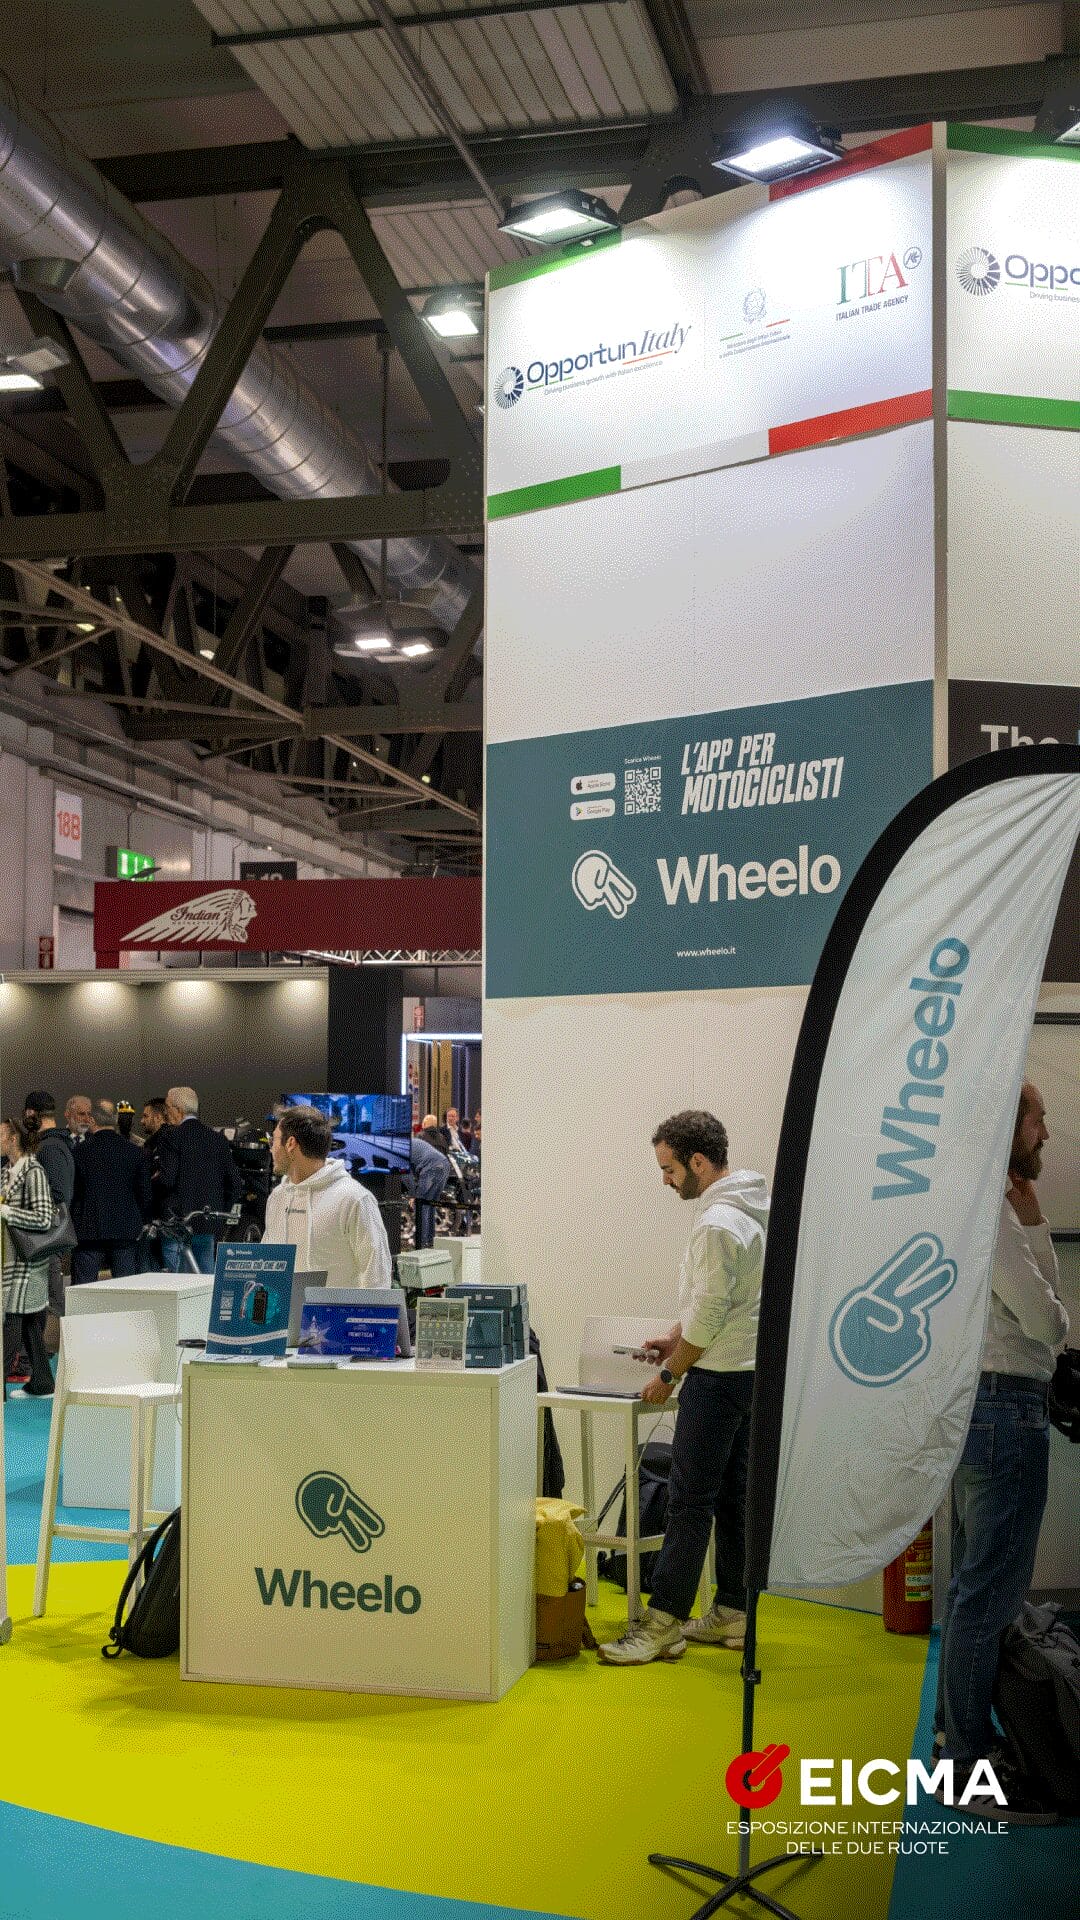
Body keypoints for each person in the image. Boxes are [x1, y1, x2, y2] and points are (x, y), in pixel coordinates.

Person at [932, 1081, 1069, 1821]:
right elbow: (1049, 1324)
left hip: (982, 1407)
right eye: (1037, 1120)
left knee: (972, 1591)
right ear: (1008, 1126)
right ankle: (965, 1768)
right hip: (1004, 1410)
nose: (1045, 1133)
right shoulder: (988, 1215)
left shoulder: (988, 1209)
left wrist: (1036, 1220)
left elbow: (1045, 1312)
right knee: (987, 1596)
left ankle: (954, 1737)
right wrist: (1054, 1313)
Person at [599, 1110, 769, 1667]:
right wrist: (677, 1337)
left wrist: (671, 1371)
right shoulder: (758, 1208)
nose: (666, 1181)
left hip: (717, 1382)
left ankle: (663, 1624)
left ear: (698, 1162)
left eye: (669, 1169)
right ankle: (734, 1611)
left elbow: (712, 1308)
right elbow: (724, 1301)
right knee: (736, 1498)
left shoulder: (718, 1222)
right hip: (753, 1375)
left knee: (689, 1503)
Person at [263, 1104, 391, 1289]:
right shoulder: (277, 1197)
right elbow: (267, 1266)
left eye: (273, 1141)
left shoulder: (354, 1199)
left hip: (338, 1309)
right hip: (284, 1308)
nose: (271, 1149)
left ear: (290, 1144)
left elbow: (377, 1279)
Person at [157, 1086, 243, 1272]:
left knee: (177, 1283)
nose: (166, 1113)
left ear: (177, 1110)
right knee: (205, 1281)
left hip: (177, 1224)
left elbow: (167, 1180)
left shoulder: (172, 1137)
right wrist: (219, 1211)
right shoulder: (217, 1139)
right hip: (208, 1222)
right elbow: (235, 1184)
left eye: (167, 1108)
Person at [2, 1115, 57, 1396]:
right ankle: (43, 1382)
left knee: (10, 1327)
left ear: (13, 1139)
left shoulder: (33, 1171)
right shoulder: (7, 1171)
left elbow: (44, 1218)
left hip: (26, 1264)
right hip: (11, 1261)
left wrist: (8, 1212)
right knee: (29, 1326)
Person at [70, 1101, 152, 1284]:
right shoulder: (135, 1152)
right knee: (126, 1289)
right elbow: (144, 1194)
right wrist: (141, 1220)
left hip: (89, 1230)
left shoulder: (79, 1153)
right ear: (115, 1120)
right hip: (125, 1230)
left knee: (83, 1290)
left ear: (92, 1120)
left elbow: (74, 1193)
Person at [23, 1091, 75, 1339]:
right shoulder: (51, 1145)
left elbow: (59, 1193)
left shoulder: (51, 1148)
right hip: (44, 1237)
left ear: (31, 1113)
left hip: (46, 1238)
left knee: (52, 1301)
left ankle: (58, 1352)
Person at [407, 1133, 451, 1249]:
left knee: (421, 1206)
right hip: (444, 1164)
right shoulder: (412, 1142)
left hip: (431, 1167)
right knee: (430, 1205)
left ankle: (421, 1244)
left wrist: (412, 1195)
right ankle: (430, 1242)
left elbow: (407, 1176)